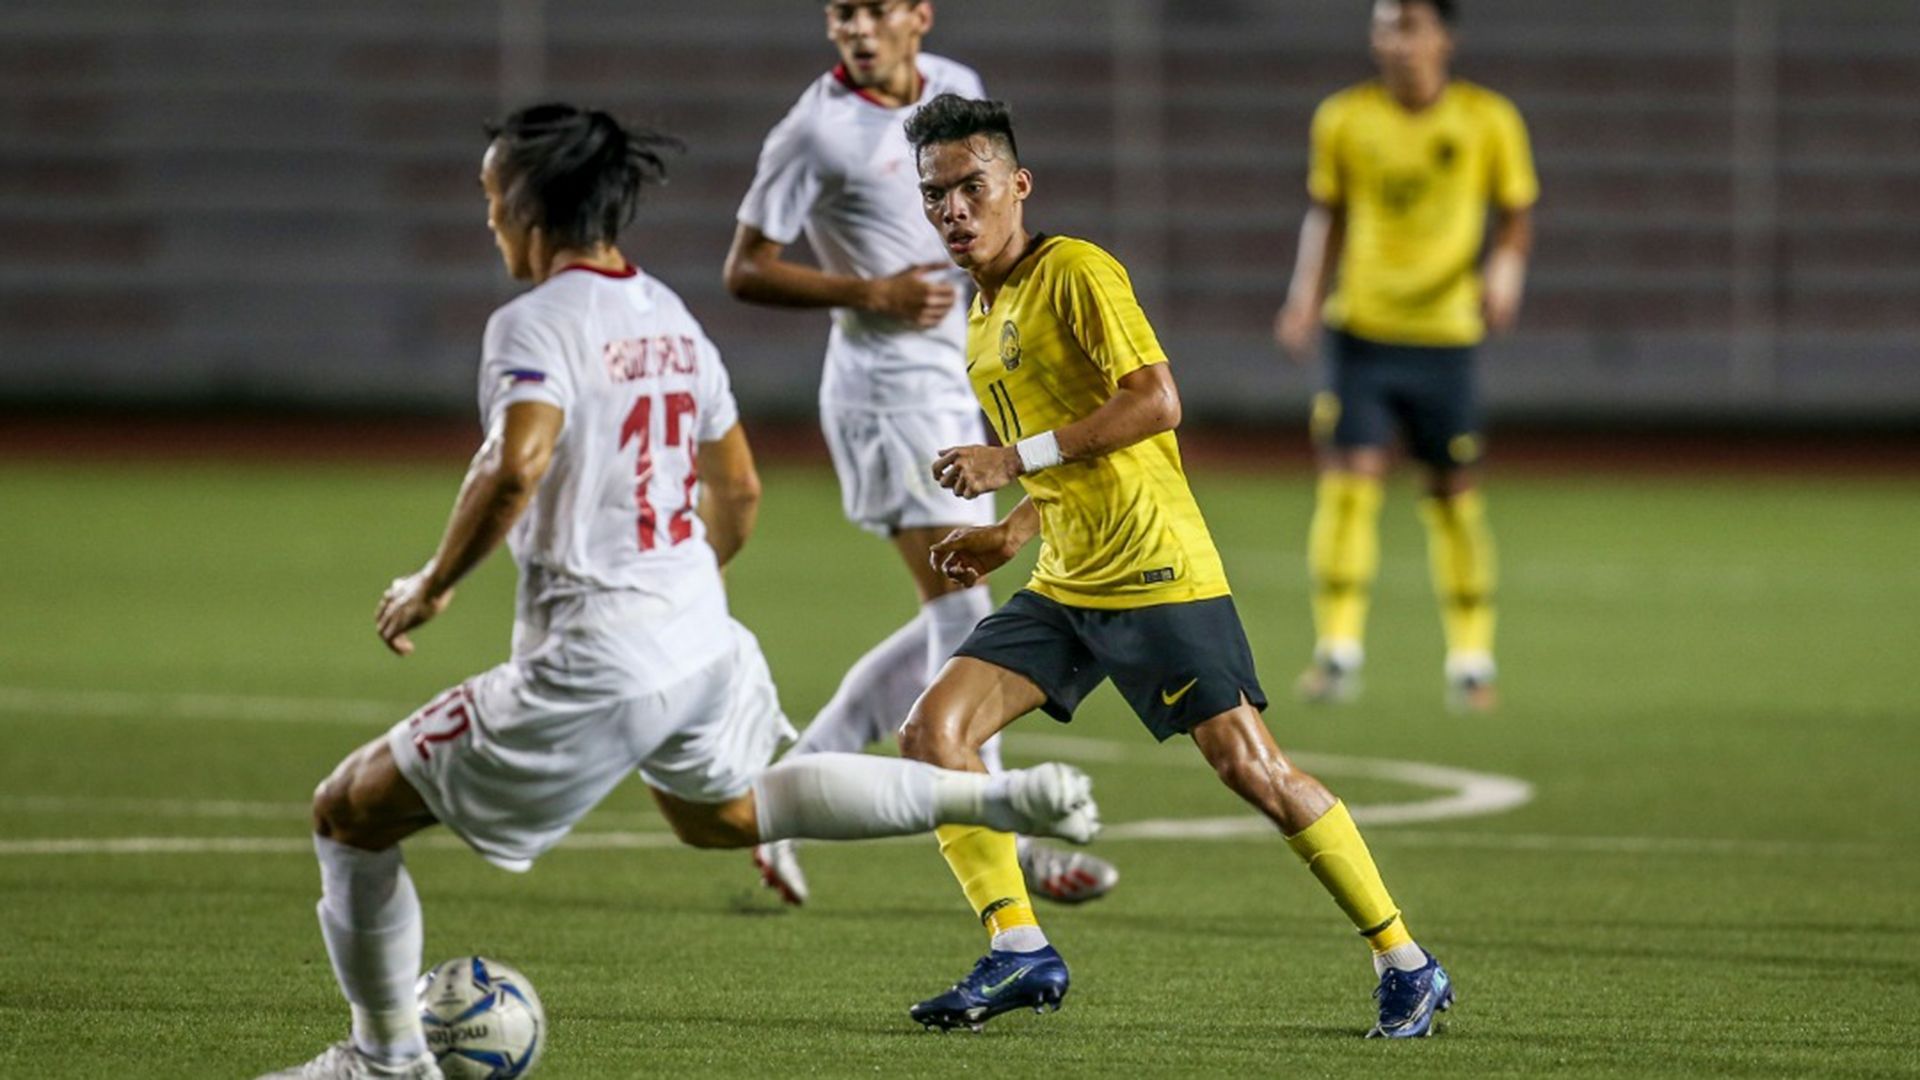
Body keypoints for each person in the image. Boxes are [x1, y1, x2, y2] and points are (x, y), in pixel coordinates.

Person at [260, 103, 1100, 1080]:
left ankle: (385, 1059)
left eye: (492, 200)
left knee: (347, 814)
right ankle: (997, 792)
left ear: (530, 208)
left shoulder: (533, 323)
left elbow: (517, 459)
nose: (490, 221)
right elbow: (737, 488)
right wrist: (677, 594)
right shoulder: (669, 315)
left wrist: (434, 583)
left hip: (597, 657)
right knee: (732, 815)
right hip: (704, 637)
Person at [897, 92, 1453, 1039]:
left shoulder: (1075, 271)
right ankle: (1020, 950)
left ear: (1017, 185)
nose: (953, 209)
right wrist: (1012, 530)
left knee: (1253, 769)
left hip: (1157, 570)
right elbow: (1081, 457)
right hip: (1068, 581)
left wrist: (1011, 461)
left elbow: (1156, 403)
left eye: (970, 187)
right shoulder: (981, 315)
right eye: (934, 195)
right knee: (932, 736)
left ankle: (1406, 959)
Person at [724, 0, 1117, 906]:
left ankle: (784, 792)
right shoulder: (813, 131)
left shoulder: (958, 92)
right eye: (841, 13)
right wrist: (871, 291)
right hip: (885, 394)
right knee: (964, 610)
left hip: (959, 379)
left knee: (950, 611)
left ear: (918, 15)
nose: (858, 28)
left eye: (876, 9)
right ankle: (1009, 836)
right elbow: (744, 267)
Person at [1274, 0, 1538, 712]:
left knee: (1452, 494)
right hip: (1360, 331)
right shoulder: (1343, 119)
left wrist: (1504, 273)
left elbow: (1515, 215)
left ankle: (1472, 658)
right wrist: (1305, 297)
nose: (1395, 43)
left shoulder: (1488, 120)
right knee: (1349, 483)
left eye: (1409, 27)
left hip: (1446, 337)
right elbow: (1327, 212)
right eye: (1384, 27)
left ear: (1443, 38)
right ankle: (1335, 651)